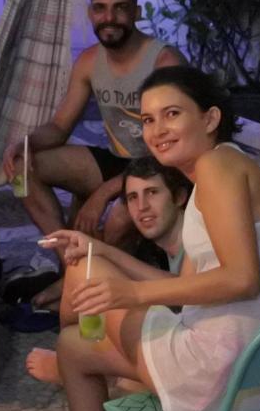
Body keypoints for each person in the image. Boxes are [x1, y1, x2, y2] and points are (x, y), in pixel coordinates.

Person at [11, 66, 260, 411]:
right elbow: (188, 290)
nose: (157, 130)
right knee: (76, 338)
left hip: (224, 378)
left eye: (171, 114)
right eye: (147, 120)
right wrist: (101, 247)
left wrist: (131, 291)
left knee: (85, 302)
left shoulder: (218, 167)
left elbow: (242, 279)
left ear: (209, 119)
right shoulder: (225, 169)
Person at [1, 0, 185, 305]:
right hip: (117, 160)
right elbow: (59, 127)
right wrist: (23, 143)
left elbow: (170, 149)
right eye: (100, 8)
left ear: (136, 12)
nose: (109, 17)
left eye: (120, 8)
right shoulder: (88, 61)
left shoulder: (163, 60)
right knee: (24, 170)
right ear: (90, 13)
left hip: (160, 166)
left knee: (118, 215)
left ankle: (89, 280)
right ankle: (69, 271)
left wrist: (104, 193)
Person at [24, 156, 190, 383]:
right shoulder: (169, 248)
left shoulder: (195, 237)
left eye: (152, 192)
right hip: (186, 348)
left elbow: (184, 292)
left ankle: (71, 364)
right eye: (133, 198)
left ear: (179, 197)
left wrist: (103, 250)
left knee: (82, 268)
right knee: (87, 273)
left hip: (200, 362)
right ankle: (76, 360)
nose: (142, 207)